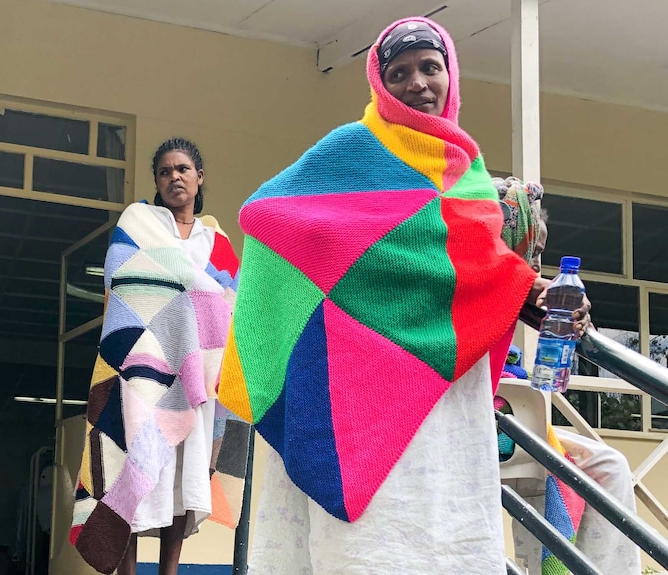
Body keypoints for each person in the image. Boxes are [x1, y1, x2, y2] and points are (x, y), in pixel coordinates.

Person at [217, 17, 591, 574]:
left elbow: (468, 271)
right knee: (368, 548)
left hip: (444, 398)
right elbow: (266, 217)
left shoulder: (468, 172)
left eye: (429, 67)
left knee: (443, 537)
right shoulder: (351, 150)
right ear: (378, 83)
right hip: (361, 385)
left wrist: (528, 290)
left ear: (451, 76)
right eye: (399, 73)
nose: (417, 83)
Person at [70, 138, 250, 575]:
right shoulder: (138, 222)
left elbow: (230, 306)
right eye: (166, 171)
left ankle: (169, 570)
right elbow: (121, 285)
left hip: (196, 386)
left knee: (181, 477)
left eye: (183, 169)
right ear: (157, 181)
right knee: (130, 466)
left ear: (199, 177)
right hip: (142, 375)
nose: (175, 177)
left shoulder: (218, 240)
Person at [492, 187, 641, 575]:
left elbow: (555, 310)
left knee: (608, 465)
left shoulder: (522, 287)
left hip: (507, 424)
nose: (536, 264)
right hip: (446, 428)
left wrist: (575, 314)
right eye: (530, 249)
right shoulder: (450, 276)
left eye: (540, 252)